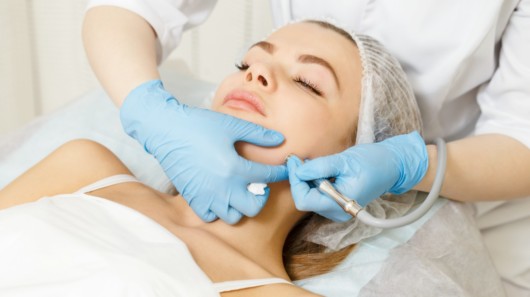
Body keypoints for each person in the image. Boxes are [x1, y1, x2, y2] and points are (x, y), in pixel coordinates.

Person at [0, 20, 422, 296]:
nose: (255, 73)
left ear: (355, 158)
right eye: (248, 61)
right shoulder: (85, 167)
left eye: (306, 82)